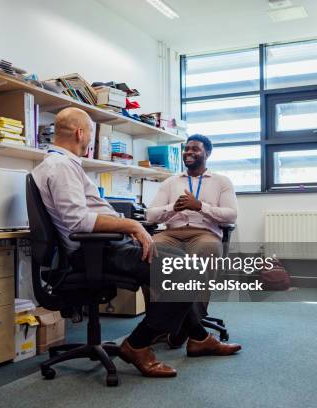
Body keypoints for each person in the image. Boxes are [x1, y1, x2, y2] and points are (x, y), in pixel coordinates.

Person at [31, 108, 239, 378]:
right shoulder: (61, 167)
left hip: (104, 245)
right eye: (91, 134)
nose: (91, 141)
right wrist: (130, 224)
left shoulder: (59, 164)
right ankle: (137, 344)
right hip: (95, 250)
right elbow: (78, 221)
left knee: (181, 268)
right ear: (81, 133)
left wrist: (126, 226)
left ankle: (198, 337)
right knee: (187, 273)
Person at [146, 133, 240, 347]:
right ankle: (161, 324)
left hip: (204, 233)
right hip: (171, 233)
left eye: (195, 149)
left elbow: (231, 215)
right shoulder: (171, 182)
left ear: (207, 153)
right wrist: (174, 207)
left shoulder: (221, 182)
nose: (189, 153)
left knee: (204, 253)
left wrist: (200, 207)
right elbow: (150, 215)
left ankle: (186, 325)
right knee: (151, 252)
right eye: (186, 149)